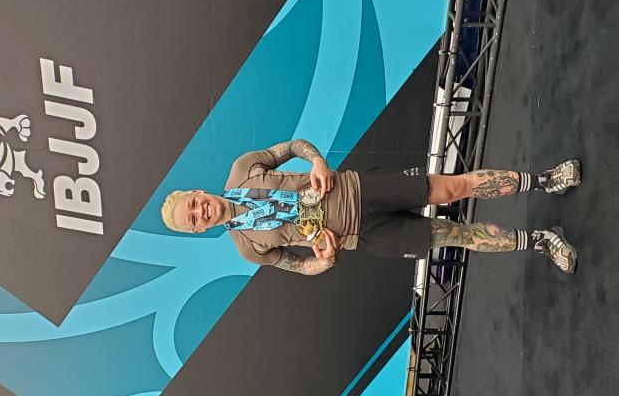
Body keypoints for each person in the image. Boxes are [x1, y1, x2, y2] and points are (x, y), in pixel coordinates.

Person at [161, 139, 580, 276]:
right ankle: (541, 241)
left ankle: (545, 180)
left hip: (362, 189)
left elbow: (293, 146)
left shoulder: (242, 168)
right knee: (458, 236)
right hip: (364, 236)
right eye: (193, 220)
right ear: (199, 230)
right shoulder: (248, 248)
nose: (200, 212)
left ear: (198, 192)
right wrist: (326, 259)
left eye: (193, 204)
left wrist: (317, 161)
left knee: (454, 188)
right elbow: (301, 266)